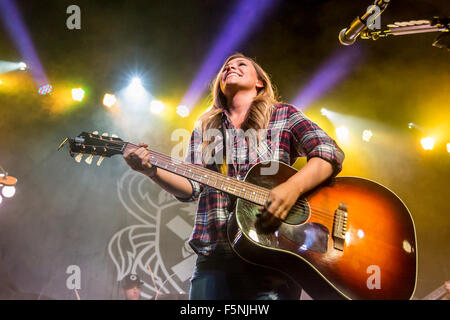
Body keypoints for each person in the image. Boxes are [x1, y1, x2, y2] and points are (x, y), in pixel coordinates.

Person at [123, 53, 345, 300]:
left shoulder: (284, 115)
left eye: (241, 65)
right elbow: (191, 187)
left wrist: (292, 188)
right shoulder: (205, 127)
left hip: (273, 260)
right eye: (226, 67)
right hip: (214, 256)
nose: (231, 67)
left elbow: (328, 152)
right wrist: (150, 170)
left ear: (259, 82)